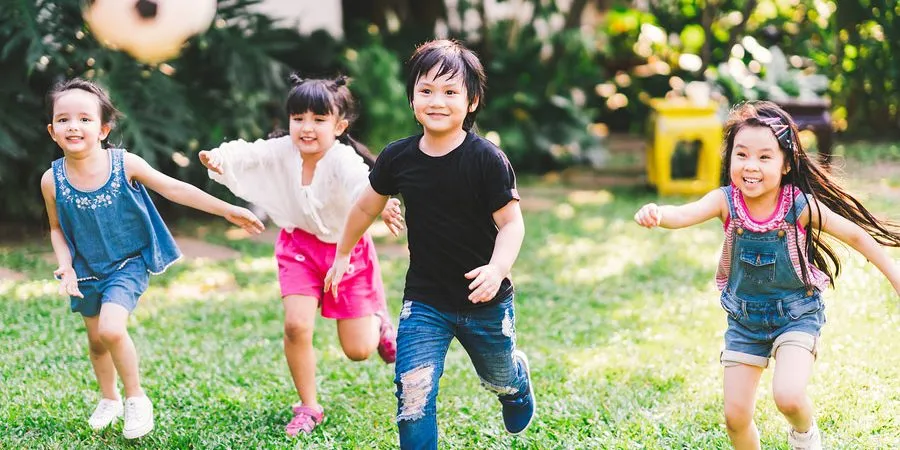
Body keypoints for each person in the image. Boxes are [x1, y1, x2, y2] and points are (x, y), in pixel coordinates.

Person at [634, 101, 900, 450]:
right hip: (745, 322)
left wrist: (895, 278)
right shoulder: (725, 201)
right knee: (735, 417)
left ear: (786, 163)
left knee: (788, 396)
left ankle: (804, 435)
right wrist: (658, 213)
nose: (750, 166)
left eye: (764, 157)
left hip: (796, 315)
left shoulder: (799, 206)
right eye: (741, 155)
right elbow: (683, 214)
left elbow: (856, 236)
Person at [325, 39, 536, 449]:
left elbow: (512, 225)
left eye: (450, 91)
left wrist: (497, 269)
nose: (437, 101)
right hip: (425, 300)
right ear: (412, 99)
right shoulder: (398, 158)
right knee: (413, 393)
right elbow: (364, 208)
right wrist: (343, 253)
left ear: (471, 102)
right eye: (426, 90)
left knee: (498, 378)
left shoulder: (487, 160)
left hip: (485, 302)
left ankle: (516, 384)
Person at [40, 78, 265, 439]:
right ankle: (109, 399)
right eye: (63, 120)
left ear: (103, 129)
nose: (74, 126)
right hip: (85, 269)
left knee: (112, 329)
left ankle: (136, 398)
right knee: (96, 341)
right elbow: (55, 228)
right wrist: (65, 264)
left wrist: (226, 210)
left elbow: (174, 188)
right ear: (53, 131)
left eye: (85, 118)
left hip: (127, 263)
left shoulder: (124, 163)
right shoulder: (52, 180)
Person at [198, 74, 399, 436]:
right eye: (299, 118)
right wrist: (219, 158)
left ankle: (380, 321)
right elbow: (249, 152)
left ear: (339, 125)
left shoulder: (342, 159)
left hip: (345, 250)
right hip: (298, 248)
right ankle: (309, 406)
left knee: (359, 350)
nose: (307, 128)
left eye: (319, 120)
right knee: (296, 326)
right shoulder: (282, 151)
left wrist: (380, 206)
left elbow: (362, 184)